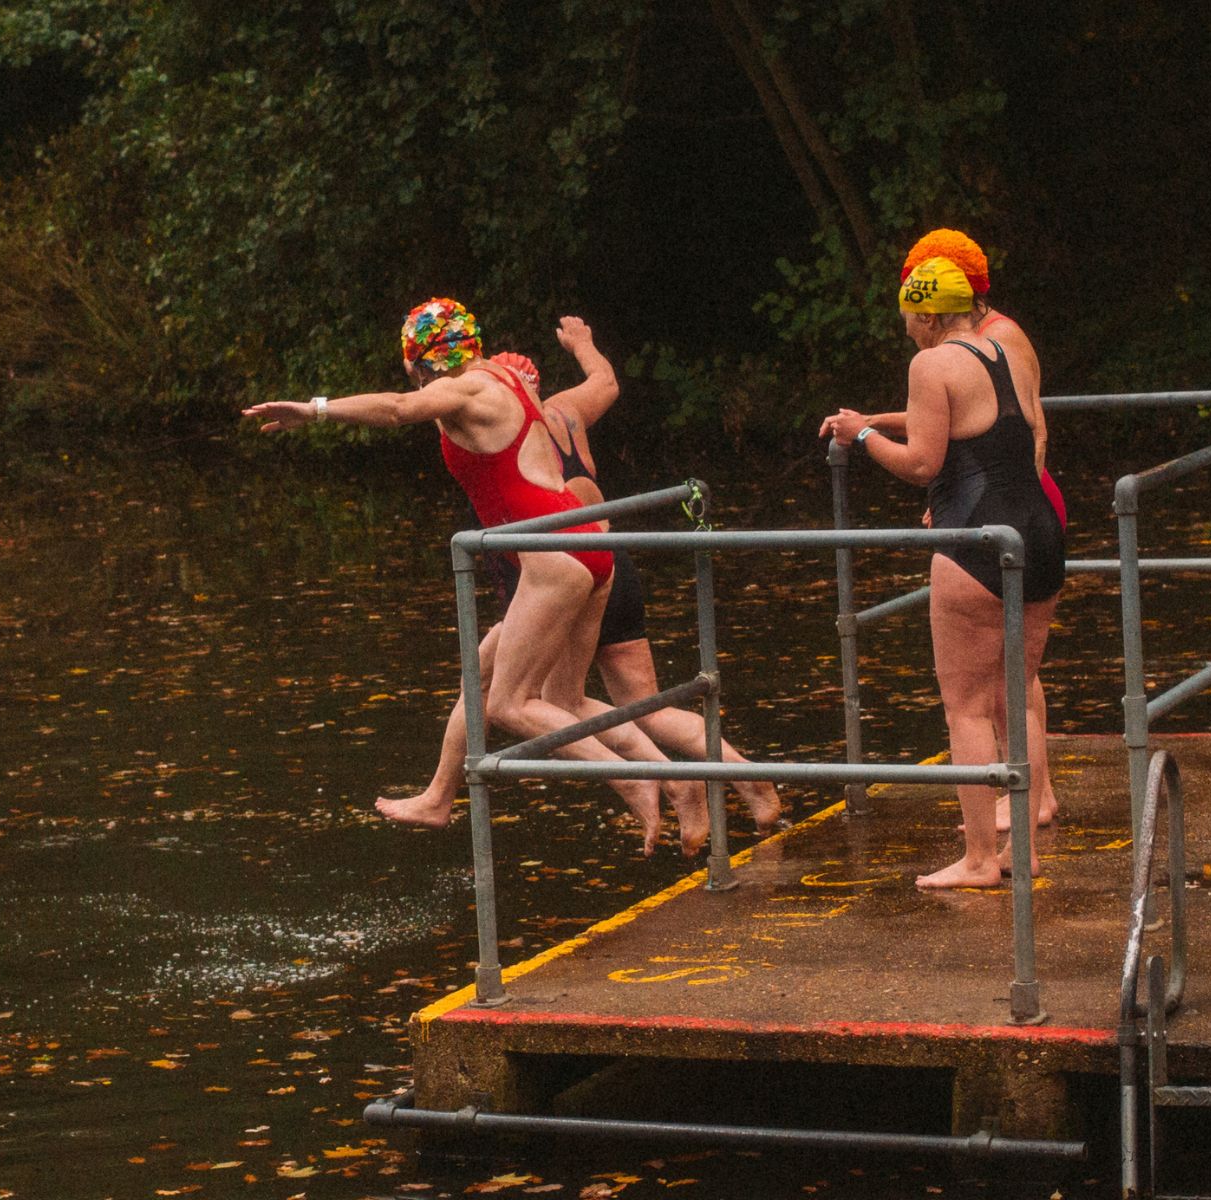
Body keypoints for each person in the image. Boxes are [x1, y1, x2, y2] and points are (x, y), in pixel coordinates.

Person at [244, 298, 706, 855]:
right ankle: (440, 797)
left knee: (510, 704)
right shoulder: (505, 377)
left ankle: (644, 781)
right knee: (510, 681)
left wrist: (314, 409)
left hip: (552, 555)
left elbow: (397, 409)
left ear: (419, 360)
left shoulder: (466, 390)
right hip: (584, 541)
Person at [376, 317, 783, 835]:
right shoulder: (564, 412)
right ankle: (746, 779)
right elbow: (607, 382)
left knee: (500, 690)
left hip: (553, 569)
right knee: (638, 706)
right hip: (610, 563)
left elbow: (419, 410)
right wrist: (584, 345)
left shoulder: (490, 422)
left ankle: (665, 784)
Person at [817, 256, 1064, 889]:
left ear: (927, 315)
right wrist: (873, 420)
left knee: (968, 710)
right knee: (1017, 695)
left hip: (975, 538)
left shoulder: (930, 365)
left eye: (906, 316)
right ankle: (1024, 847)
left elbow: (923, 463)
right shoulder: (1003, 349)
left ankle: (980, 859)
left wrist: (862, 438)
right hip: (1040, 531)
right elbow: (988, 427)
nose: (904, 327)